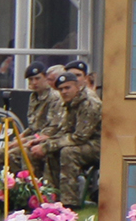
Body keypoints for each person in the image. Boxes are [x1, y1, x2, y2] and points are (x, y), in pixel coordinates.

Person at [31, 70, 100, 204]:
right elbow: (64, 131)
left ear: (78, 87)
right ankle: (51, 196)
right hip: (82, 142)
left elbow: (80, 137)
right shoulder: (69, 103)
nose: (64, 92)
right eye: (61, 89)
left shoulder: (89, 103)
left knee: (68, 152)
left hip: (98, 145)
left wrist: (47, 146)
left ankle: (69, 202)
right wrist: (46, 143)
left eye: (67, 88)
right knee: (51, 150)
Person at [19, 61, 64, 147]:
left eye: (37, 78)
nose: (34, 82)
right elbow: (34, 126)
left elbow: (52, 128)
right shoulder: (34, 97)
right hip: (35, 136)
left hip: (47, 139)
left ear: (46, 78)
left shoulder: (54, 97)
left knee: (15, 153)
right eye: (31, 79)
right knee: (3, 151)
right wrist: (23, 135)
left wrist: (26, 139)